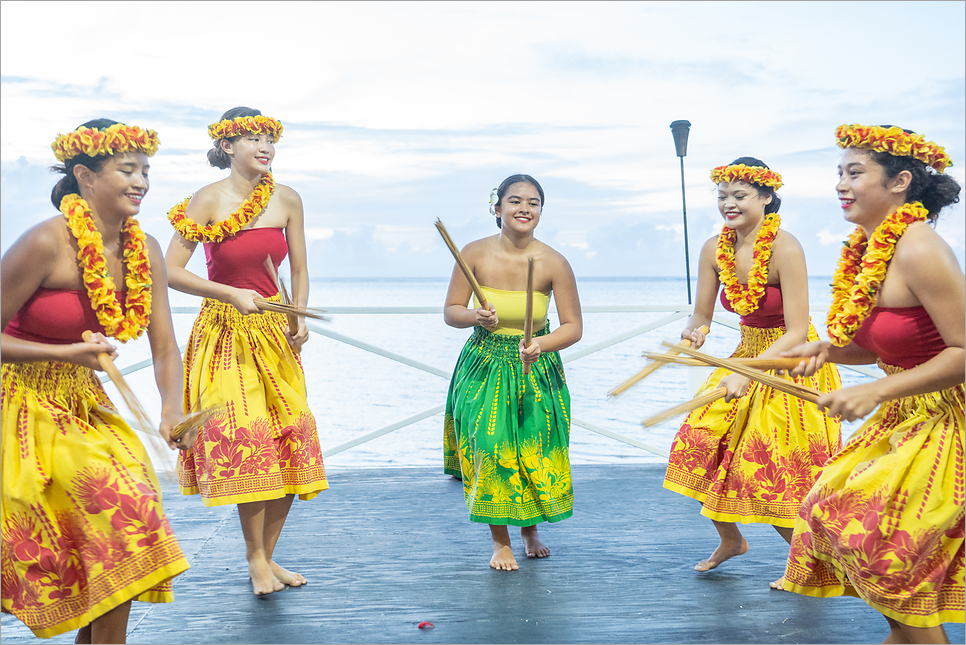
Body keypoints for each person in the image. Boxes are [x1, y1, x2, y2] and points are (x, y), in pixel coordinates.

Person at [1, 119, 191, 642]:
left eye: (146, 170)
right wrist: (64, 351)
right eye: (127, 170)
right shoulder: (45, 241)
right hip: (20, 402)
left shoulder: (145, 248)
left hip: (86, 401)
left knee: (134, 520)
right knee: (120, 515)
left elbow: (165, 345)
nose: (142, 182)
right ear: (84, 175)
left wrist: (171, 409)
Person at [781, 124, 964, 643]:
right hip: (907, 411)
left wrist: (875, 389)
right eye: (839, 172)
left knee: (888, 549)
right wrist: (830, 351)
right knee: (825, 512)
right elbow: (892, 342)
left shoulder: (919, 248)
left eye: (855, 172)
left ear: (900, 181)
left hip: (950, 415)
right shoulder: (869, 249)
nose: (841, 183)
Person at [164, 107, 327, 596]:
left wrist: (299, 316)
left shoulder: (288, 199)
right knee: (248, 441)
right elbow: (171, 271)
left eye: (268, 138)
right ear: (227, 147)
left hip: (275, 332)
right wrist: (230, 293)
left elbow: (298, 269)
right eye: (252, 137)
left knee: (292, 435)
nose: (264, 146)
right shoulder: (207, 200)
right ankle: (255, 559)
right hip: (225, 334)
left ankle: (268, 556)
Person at [662, 158, 842, 587]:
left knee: (776, 467)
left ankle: (813, 564)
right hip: (745, 353)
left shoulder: (786, 247)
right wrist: (694, 333)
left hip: (791, 360)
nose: (728, 203)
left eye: (739, 196)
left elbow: (798, 329)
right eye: (722, 196)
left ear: (766, 197)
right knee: (701, 441)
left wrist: (748, 372)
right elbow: (701, 315)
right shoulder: (713, 248)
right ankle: (731, 539)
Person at [442, 174, 583, 571]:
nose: (525, 208)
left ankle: (530, 529)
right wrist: (475, 315)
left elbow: (573, 327)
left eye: (534, 202)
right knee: (489, 448)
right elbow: (452, 311)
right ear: (498, 207)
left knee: (531, 453)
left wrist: (542, 344)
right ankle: (499, 540)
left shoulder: (554, 262)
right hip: (484, 363)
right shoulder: (473, 253)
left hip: (535, 365)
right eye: (515, 200)